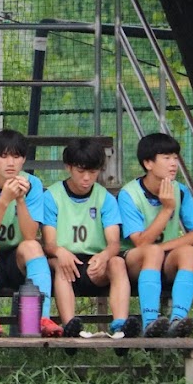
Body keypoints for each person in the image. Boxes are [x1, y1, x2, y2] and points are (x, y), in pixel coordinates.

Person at [0, 128, 61, 337]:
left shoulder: (32, 184)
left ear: (24, 159)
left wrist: (20, 200)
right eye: (4, 156)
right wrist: (4, 199)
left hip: (17, 260)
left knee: (32, 246)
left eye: (16, 156)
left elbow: (30, 235)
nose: (10, 163)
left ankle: (43, 317)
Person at [117, 132, 193, 338]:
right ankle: (150, 322)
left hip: (164, 257)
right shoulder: (129, 194)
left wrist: (165, 247)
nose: (173, 163)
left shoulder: (180, 191)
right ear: (148, 163)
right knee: (152, 252)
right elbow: (140, 242)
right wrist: (167, 209)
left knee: (189, 252)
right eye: (166, 158)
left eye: (175, 157)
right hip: (134, 261)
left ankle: (177, 320)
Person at [42, 138, 133, 337]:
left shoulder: (105, 198)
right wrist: (60, 251)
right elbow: (49, 243)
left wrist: (104, 256)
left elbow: (114, 243)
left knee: (117, 262)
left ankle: (120, 325)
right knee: (60, 264)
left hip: (93, 263)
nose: (86, 178)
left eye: (92, 172)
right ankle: (70, 326)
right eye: (81, 171)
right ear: (68, 167)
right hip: (64, 259)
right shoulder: (52, 196)